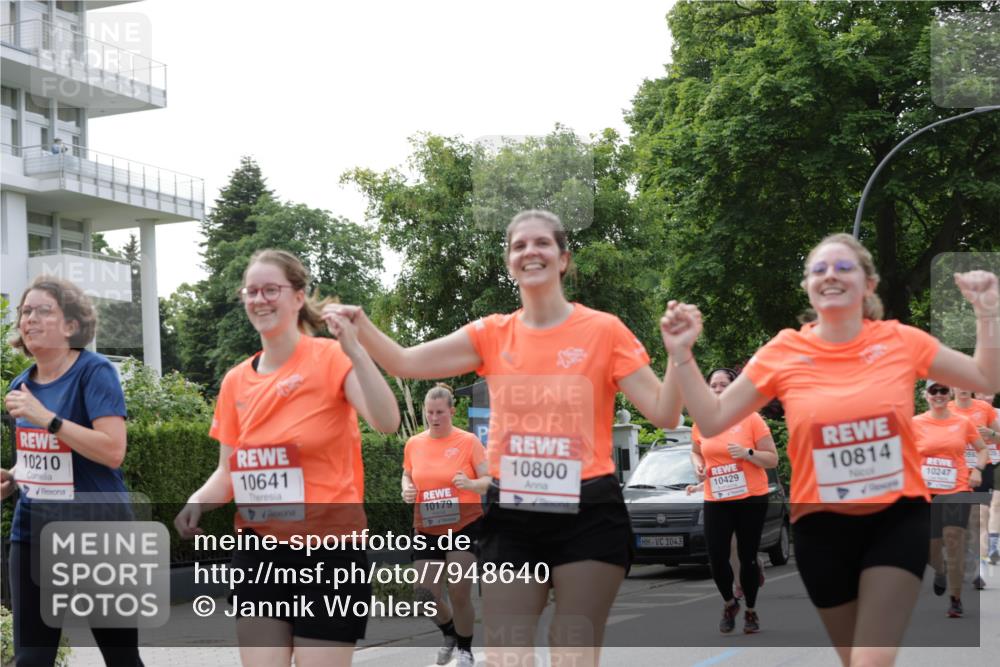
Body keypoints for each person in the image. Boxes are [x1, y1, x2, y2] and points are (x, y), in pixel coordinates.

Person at [328, 209, 683, 667]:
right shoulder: (492, 334)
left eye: (542, 244)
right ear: (509, 261)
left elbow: (664, 411)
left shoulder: (603, 331)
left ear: (563, 259)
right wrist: (360, 329)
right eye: (519, 245)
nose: (530, 252)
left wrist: (678, 357)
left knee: (572, 644)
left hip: (589, 510)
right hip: (514, 513)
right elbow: (403, 362)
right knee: (506, 654)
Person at [660, 232, 999, 667]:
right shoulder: (783, 351)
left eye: (843, 267)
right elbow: (711, 420)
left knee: (871, 658)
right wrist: (681, 354)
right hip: (820, 526)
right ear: (807, 286)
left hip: (896, 519)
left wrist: (988, 314)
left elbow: (986, 377)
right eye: (818, 269)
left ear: (869, 284)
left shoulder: (900, 340)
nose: (830, 276)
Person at [173, 249, 400, 667]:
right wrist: (197, 501)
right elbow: (229, 471)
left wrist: (355, 349)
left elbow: (387, 421)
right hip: (258, 553)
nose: (260, 299)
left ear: (298, 296)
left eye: (271, 289)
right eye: (251, 291)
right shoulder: (235, 382)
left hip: (330, 553)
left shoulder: (331, 359)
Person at [2, 275, 144, 667]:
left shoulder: (94, 372)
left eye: (43, 310)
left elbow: (112, 450)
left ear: (71, 325)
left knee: (120, 657)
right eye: (25, 311)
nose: (29, 319)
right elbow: (42, 460)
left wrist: (46, 417)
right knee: (31, 658)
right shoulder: (21, 385)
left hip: (97, 532)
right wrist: (13, 478)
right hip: (33, 534)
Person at [402, 384, 491, 667]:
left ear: (451, 411)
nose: (434, 417)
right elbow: (407, 475)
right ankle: (450, 633)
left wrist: (470, 483)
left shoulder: (468, 442)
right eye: (430, 412)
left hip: (463, 525)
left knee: (459, 590)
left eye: (440, 412)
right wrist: (407, 489)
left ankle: (465, 649)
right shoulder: (414, 444)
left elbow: (488, 480)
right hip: (426, 528)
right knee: (424, 595)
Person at [688, 367, 778, 634]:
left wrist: (748, 453)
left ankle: (750, 609)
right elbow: (695, 452)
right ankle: (730, 603)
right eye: (713, 385)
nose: (717, 389)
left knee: (748, 557)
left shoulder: (751, 419)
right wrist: (698, 466)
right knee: (716, 557)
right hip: (716, 497)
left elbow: (772, 458)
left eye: (723, 384)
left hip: (751, 497)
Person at [912, 380, 989, 618]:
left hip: (956, 488)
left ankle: (955, 600)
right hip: (925, 491)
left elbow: (982, 449)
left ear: (949, 394)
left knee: (953, 539)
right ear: (926, 395)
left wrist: (977, 469)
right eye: (933, 391)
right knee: (927, 546)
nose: (938, 395)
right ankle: (940, 569)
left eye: (943, 390)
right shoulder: (915, 423)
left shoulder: (962, 422)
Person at [948, 387, 1000, 588]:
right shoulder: (948, 408)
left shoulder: (984, 408)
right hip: (956, 470)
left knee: (980, 517)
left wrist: (991, 433)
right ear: (952, 389)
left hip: (983, 467)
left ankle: (980, 570)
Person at [974, 391, 1000, 563]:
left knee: (997, 505)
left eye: (988, 394)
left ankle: (993, 546)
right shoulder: (969, 413)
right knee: (982, 512)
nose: (985, 398)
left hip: (998, 463)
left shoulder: (998, 413)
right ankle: (984, 551)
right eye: (981, 394)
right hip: (980, 465)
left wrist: (991, 434)